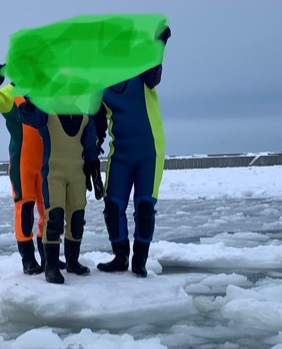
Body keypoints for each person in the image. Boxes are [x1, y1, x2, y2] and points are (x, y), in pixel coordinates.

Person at [94, 25, 171, 277]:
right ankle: (120, 256)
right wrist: (91, 155)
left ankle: (139, 260)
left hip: (149, 150)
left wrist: (159, 43)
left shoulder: (142, 70)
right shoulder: (100, 86)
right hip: (121, 154)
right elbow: (97, 126)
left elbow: (155, 75)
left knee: (145, 207)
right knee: (113, 206)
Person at [18, 100, 102, 284]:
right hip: (53, 175)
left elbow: (90, 148)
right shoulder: (47, 113)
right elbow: (29, 118)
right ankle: (51, 266)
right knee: (54, 217)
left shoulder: (85, 119)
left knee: (77, 218)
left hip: (77, 175)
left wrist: (95, 172)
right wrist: (31, 104)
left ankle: (72, 261)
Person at [0, 65, 46, 275]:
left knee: (50, 210)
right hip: (22, 163)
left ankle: (48, 256)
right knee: (25, 209)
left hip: (47, 162)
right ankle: (28, 259)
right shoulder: (10, 94)